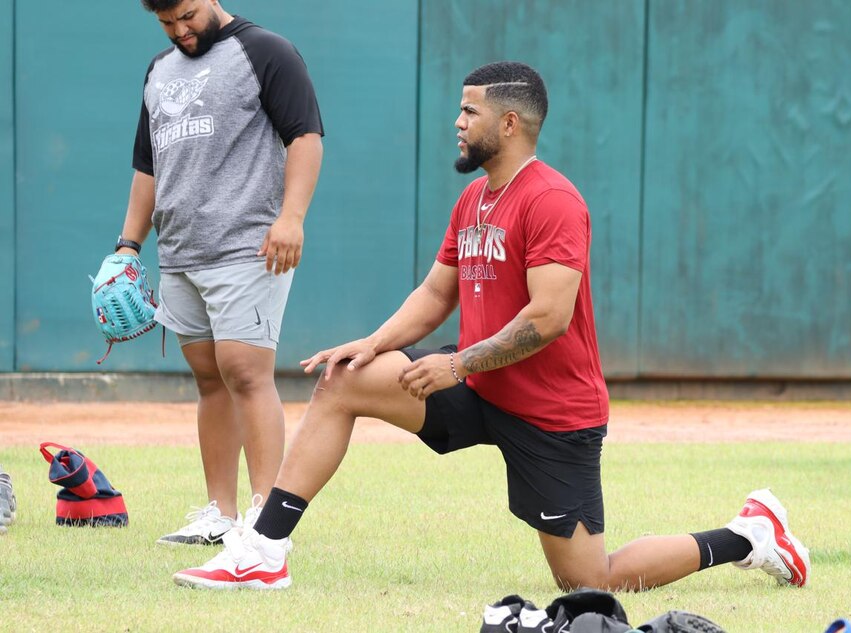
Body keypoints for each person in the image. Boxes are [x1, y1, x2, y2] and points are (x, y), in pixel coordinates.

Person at [172, 61, 809, 591]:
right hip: (480, 386)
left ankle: (748, 536)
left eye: (469, 111)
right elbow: (435, 293)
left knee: (590, 582)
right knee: (344, 380)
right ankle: (265, 551)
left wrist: (456, 363)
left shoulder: (552, 199)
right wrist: (373, 344)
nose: (457, 122)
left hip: (552, 413)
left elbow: (549, 318)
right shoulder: (474, 199)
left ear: (509, 123)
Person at [116, 0, 324, 545]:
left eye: (186, 15)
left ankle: (265, 521)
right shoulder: (159, 70)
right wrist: (128, 245)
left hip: (248, 245)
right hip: (180, 252)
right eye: (166, 23)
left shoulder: (266, 51)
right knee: (210, 380)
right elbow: (147, 166)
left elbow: (305, 137)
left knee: (246, 373)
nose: (179, 30)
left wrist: (292, 218)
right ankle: (220, 514)